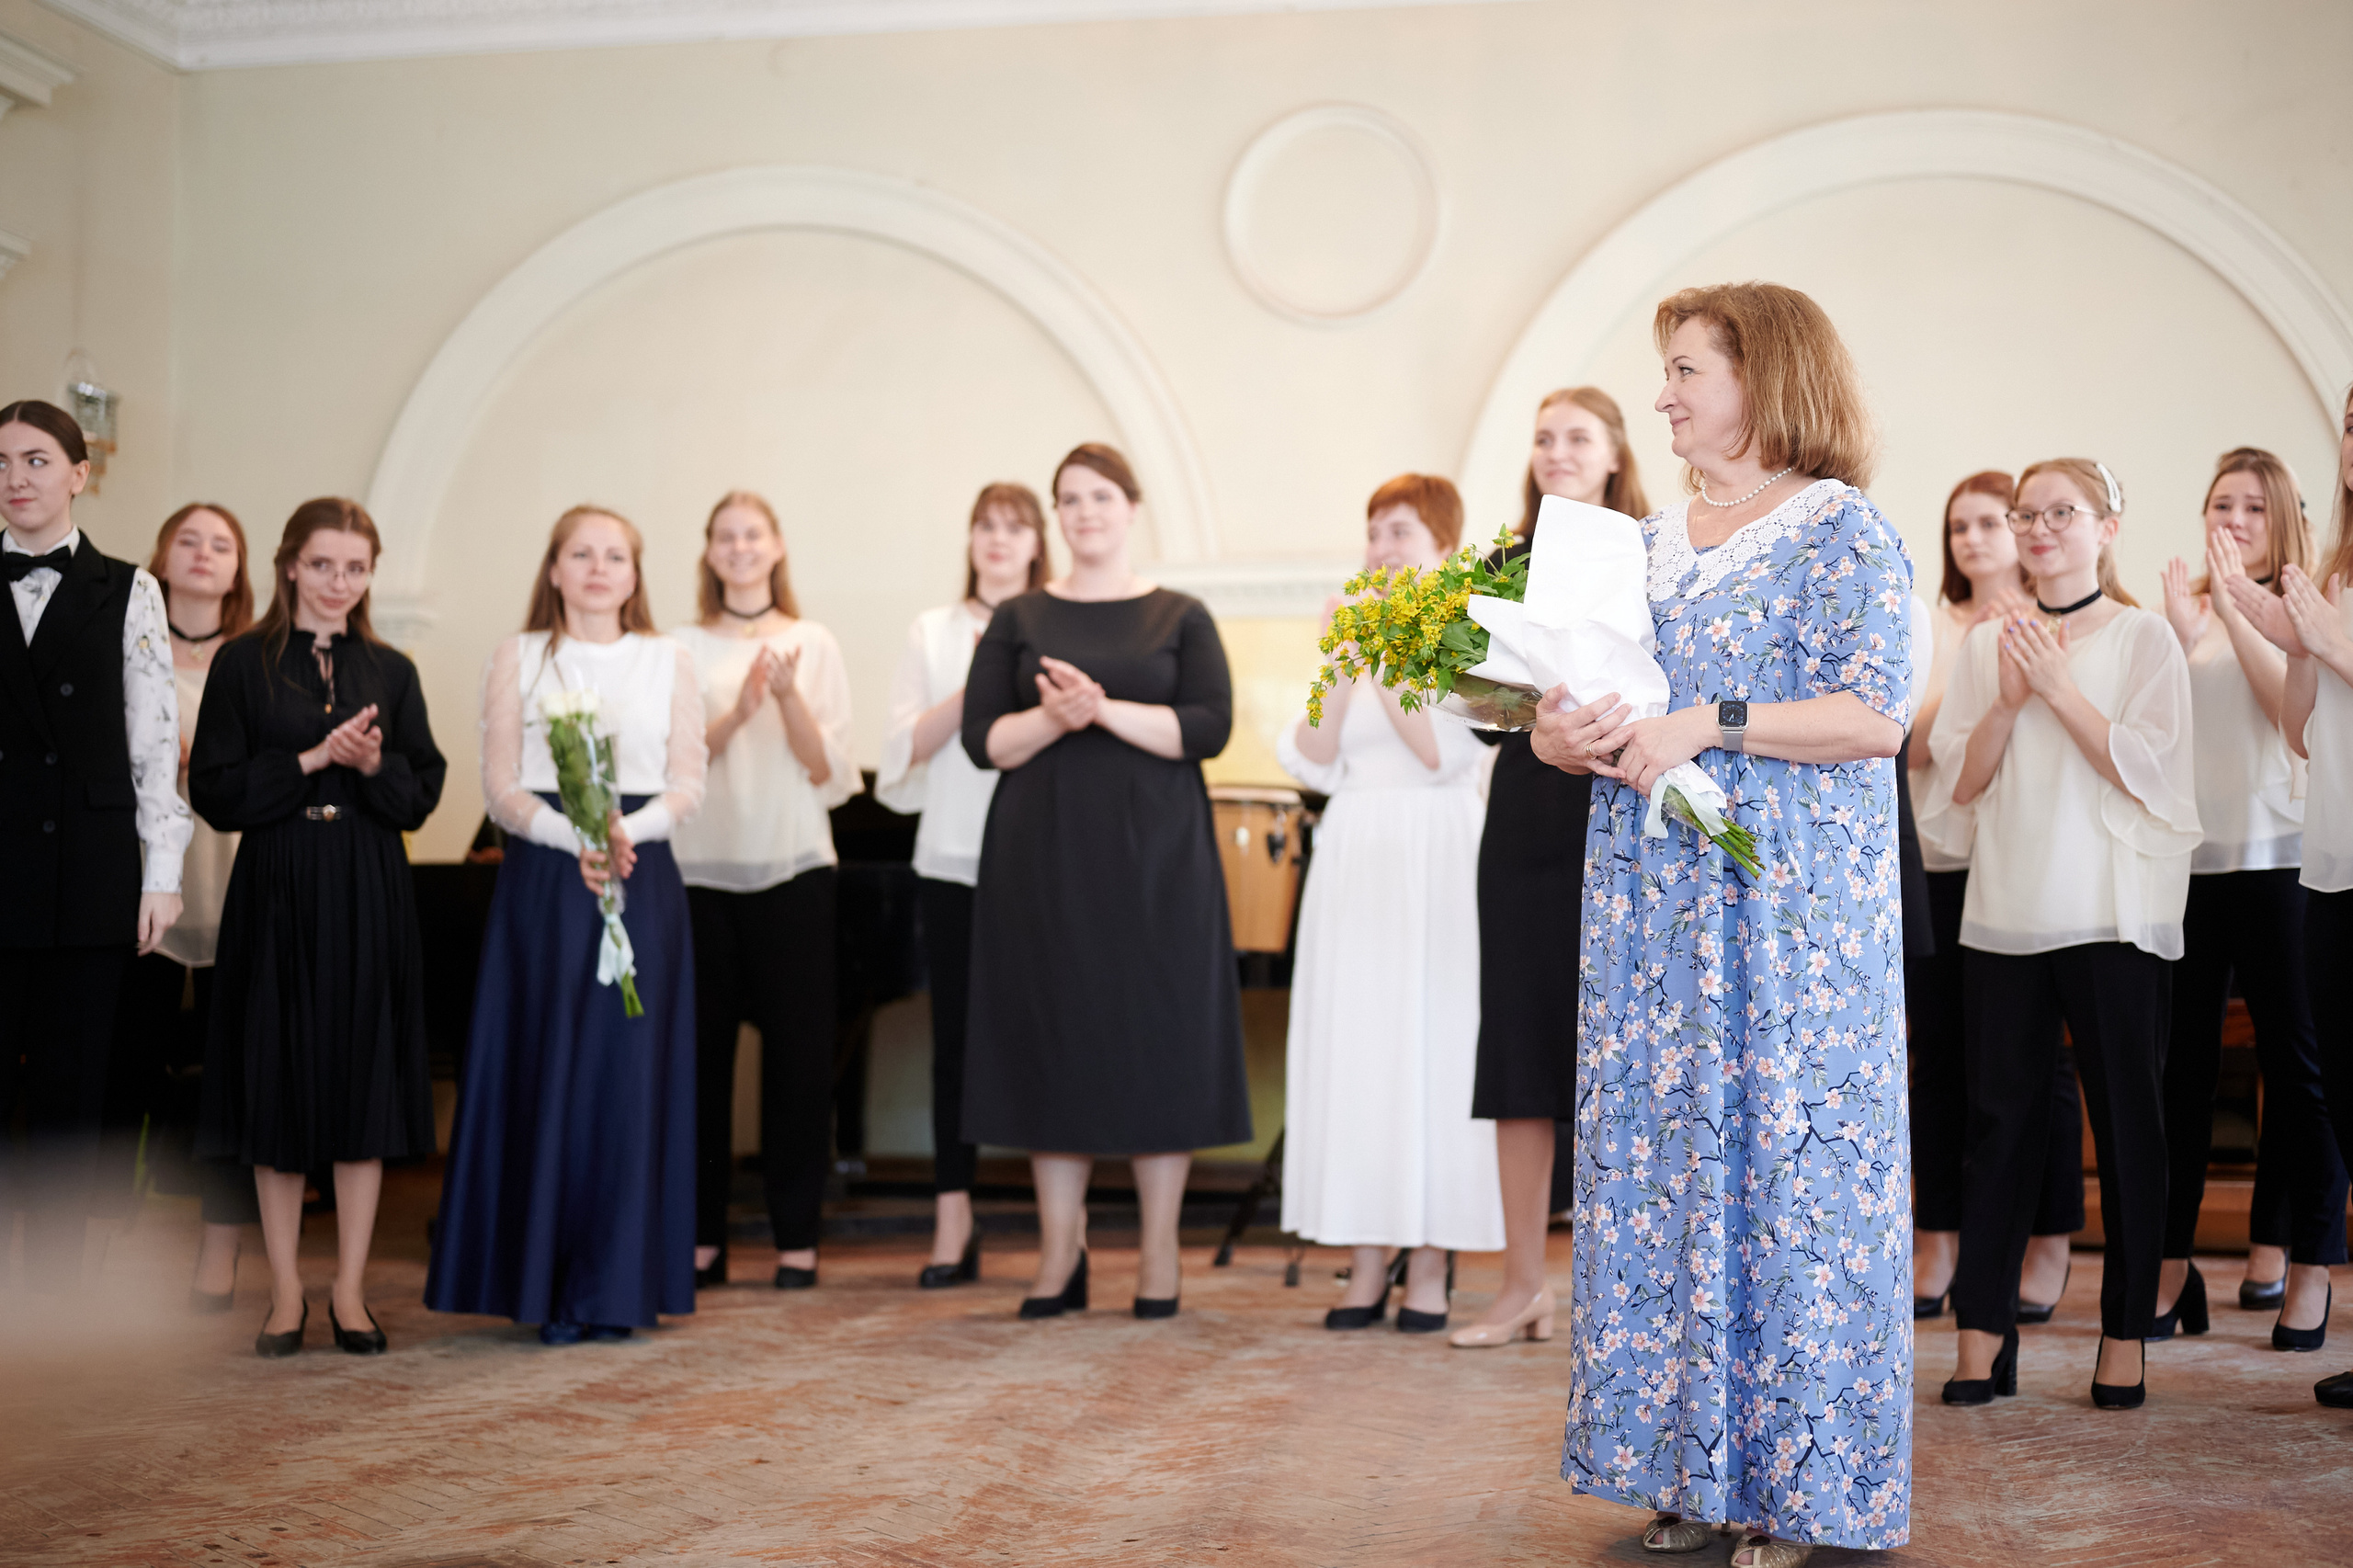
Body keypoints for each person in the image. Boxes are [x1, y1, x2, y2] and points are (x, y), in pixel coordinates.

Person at [1533, 283, 1911, 1563]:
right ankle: (1684, 1469)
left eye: (1688, 369)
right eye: (1669, 371)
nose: (1664, 396)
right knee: (1664, 1179)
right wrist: (1559, 735)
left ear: (1768, 377)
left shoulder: (1842, 531)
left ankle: (1797, 1490)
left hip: (1789, 918)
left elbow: (1873, 716)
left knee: (1785, 1180)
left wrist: (1713, 720)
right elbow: (1568, 702)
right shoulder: (1637, 542)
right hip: (1651, 916)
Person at [1921, 458, 2197, 1413]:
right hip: (2004, 907)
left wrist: (2057, 687)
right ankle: (1982, 1331)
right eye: (2024, 514)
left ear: (2105, 526)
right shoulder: (1986, 640)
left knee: (2128, 1128)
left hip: (2109, 913)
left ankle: (2123, 1334)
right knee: (1997, 1127)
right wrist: (2005, 696)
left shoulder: (2143, 636)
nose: (2037, 529)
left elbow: (2152, 773)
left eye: (2058, 513)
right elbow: (1957, 784)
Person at [961, 442, 1249, 1321]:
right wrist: (1055, 716)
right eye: (1069, 500)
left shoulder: (1179, 613)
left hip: (1156, 860)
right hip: (1040, 860)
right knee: (1055, 1040)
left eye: (1099, 497)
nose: (1084, 512)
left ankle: (1159, 1254)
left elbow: (1208, 728)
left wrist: (1103, 708)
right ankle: (1059, 1253)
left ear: (1131, 506)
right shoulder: (1020, 615)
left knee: (1157, 1041)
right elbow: (984, 742)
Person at [426, 506, 705, 1344]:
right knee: (552, 1070)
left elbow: (689, 782)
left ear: (635, 573)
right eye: (580, 553)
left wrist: (625, 832)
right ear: (553, 568)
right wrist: (571, 834)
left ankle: (616, 1287)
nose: (597, 568)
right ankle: (545, 1283)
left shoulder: (671, 660)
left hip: (641, 870)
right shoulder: (516, 657)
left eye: (614, 556)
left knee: (626, 1077)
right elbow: (502, 787)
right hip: (547, 881)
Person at [192, 498, 446, 1357]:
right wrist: (311, 759)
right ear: (290, 565)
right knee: (278, 1079)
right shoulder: (242, 663)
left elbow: (421, 793)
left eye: (357, 568)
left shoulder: (393, 670)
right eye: (324, 565)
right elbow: (217, 793)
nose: (340, 583)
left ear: (370, 575)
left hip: (369, 884)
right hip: (277, 885)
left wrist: (374, 765)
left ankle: (349, 1292)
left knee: (360, 1081)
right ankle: (285, 1294)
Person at [1277, 474, 1502, 1334]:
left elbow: (1442, 754)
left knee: (1434, 1047)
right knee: (1361, 1046)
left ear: (1443, 548)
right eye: (1375, 531)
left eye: (1401, 530)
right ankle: (1366, 1256)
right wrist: (1341, 658)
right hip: (1359, 849)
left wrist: (1382, 656)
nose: (1383, 546)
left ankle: (1433, 1262)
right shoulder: (1356, 638)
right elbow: (1315, 753)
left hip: (1435, 851)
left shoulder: (1465, 635)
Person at [1457, 386, 1648, 1348]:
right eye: (1543, 437)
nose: (1557, 450)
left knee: (1628, 1050)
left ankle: (1624, 1293)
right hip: (1529, 816)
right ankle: (1521, 1282)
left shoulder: (1654, 552)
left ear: (1616, 451)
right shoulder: (1498, 564)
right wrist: (1530, 722)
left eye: (1578, 435)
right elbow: (1470, 695)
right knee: (1523, 1045)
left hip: (1629, 799)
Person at [0, 400, 188, 1291]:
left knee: (75, 1094)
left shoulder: (131, 587)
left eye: (37, 459)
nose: (15, 478)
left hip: (92, 865)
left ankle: (55, 1298)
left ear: (80, 474)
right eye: (0, 462)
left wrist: (162, 875)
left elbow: (154, 743)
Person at [2156, 448, 2343, 1347]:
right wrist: (2186, 620)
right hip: (2196, 865)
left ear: (2282, 520)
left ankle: (2303, 1259)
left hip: (2278, 860)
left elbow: (2288, 716)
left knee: (2296, 1069)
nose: (2230, 520)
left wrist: (2233, 610)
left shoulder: (2295, 602)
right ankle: (2169, 1262)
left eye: (2250, 507)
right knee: (2182, 1072)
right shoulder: (2189, 609)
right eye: (2218, 503)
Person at [1906, 472, 2084, 1323]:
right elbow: (1905, 747)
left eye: (1989, 522)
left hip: (2018, 864)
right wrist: (1970, 662)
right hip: (1936, 864)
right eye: (1959, 527)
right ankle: (1937, 1238)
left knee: (2030, 1068)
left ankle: (2049, 1242)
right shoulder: (1933, 627)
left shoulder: (2056, 620)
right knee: (1937, 1063)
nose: (1974, 539)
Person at [668, 492, 856, 1291]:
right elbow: (672, 763)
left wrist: (784, 696)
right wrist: (741, 710)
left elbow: (828, 771)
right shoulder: (675, 645)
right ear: (710, 553)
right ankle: (701, 1238)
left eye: (754, 535)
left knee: (799, 1070)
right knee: (700, 1068)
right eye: (726, 537)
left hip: (793, 871)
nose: (741, 548)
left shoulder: (812, 641)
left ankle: (796, 1239)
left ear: (778, 547)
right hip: (699, 876)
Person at [876, 482, 1050, 1288]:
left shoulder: (1059, 619)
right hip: (951, 857)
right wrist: (977, 672)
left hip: (1043, 866)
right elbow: (903, 748)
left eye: (1014, 527)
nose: (997, 540)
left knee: (1047, 1043)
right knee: (957, 1049)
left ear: (1036, 542)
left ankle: (1064, 1232)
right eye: (985, 525)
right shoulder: (933, 630)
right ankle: (954, 1222)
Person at [2227, 381, 2353, 1405]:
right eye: (2350, 420)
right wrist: (2298, 635)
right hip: (2332, 864)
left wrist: (2320, 634)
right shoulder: (2336, 570)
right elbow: (2304, 730)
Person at [103, 504, 261, 1310]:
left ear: (241, 571)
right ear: (161, 556)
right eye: (188, 540)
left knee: (228, 1080)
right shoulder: (121, 642)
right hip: (142, 891)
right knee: (121, 1067)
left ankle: (218, 1250)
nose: (203, 554)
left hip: (235, 885)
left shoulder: (263, 658)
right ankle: (93, 1237)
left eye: (221, 544)